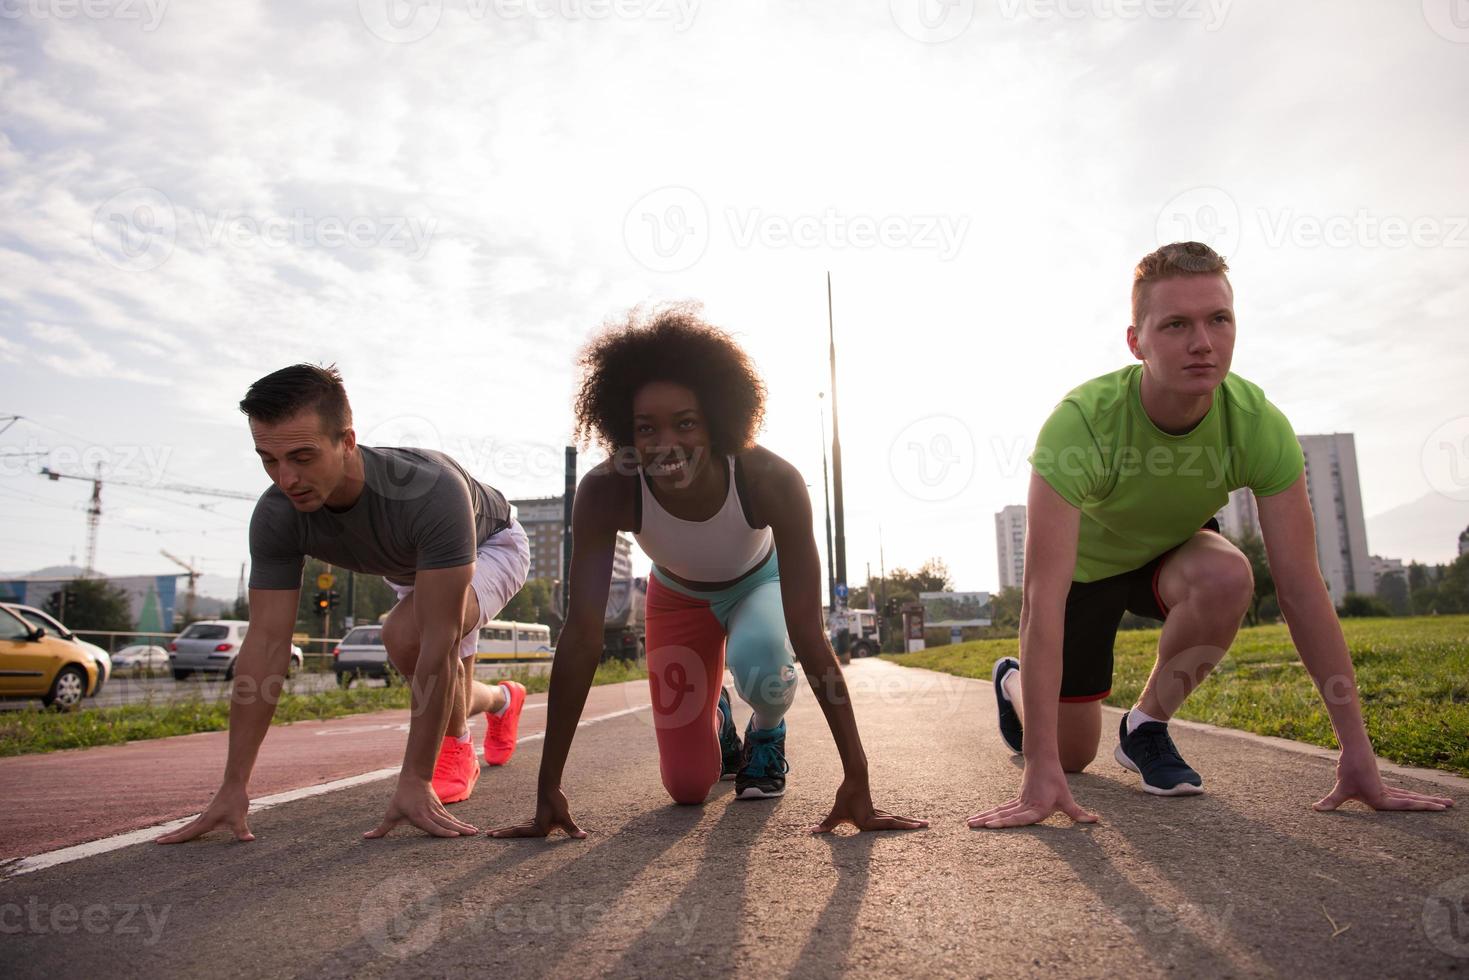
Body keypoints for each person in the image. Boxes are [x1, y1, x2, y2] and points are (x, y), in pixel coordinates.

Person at [971, 242, 1455, 828]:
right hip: (1085, 571)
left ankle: (1145, 726)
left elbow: (1303, 589)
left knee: (1228, 574)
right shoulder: (1081, 424)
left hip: (1171, 554)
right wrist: (1039, 766)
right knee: (1073, 757)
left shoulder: (1257, 426)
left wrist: (1358, 752)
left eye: (1218, 319)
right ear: (1136, 342)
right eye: (1176, 324)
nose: (1203, 342)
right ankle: (1014, 683)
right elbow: (1040, 599)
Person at [492, 305, 926, 838]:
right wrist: (548, 788)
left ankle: (766, 732)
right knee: (688, 786)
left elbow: (809, 634)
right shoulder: (607, 491)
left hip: (757, 584)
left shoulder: (771, 480)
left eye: (686, 423)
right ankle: (715, 714)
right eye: (646, 428)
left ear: (718, 420)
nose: (665, 444)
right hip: (677, 599)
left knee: (761, 666)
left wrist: (857, 778)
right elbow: (581, 635)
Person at [158, 364, 532, 844]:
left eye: (303, 456)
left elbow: (438, 639)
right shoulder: (277, 515)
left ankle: (456, 746)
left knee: (410, 636)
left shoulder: (430, 489)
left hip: (489, 544)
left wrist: (415, 777)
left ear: (348, 441)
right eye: (268, 460)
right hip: (409, 566)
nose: (287, 479)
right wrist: (233, 786)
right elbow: (267, 644)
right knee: (430, 653)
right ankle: (503, 699)